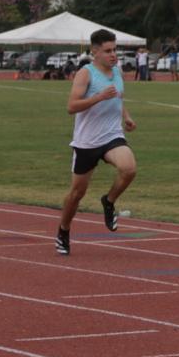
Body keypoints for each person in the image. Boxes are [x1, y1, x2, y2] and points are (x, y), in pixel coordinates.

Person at [55, 29, 137, 256]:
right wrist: (99, 97)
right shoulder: (86, 73)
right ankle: (63, 230)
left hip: (112, 136)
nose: (113, 55)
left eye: (115, 50)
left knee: (129, 169)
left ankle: (108, 201)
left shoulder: (117, 72)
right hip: (87, 142)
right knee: (76, 194)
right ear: (95, 51)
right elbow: (71, 107)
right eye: (108, 51)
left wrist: (126, 116)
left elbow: (118, 98)